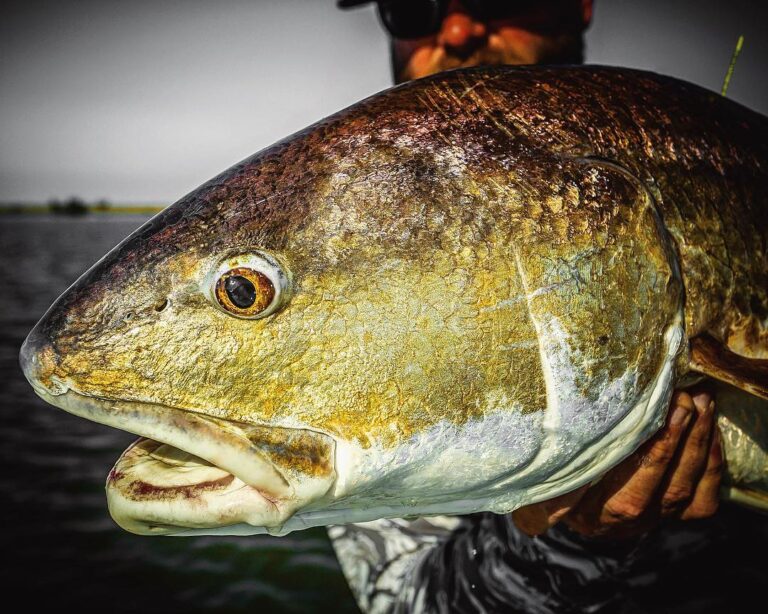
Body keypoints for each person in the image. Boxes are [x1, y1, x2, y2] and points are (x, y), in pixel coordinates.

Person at [331, 2, 724, 612]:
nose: (457, 32)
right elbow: (406, 598)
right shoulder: (354, 271)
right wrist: (573, 541)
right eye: (411, 6)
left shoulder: (713, 147)